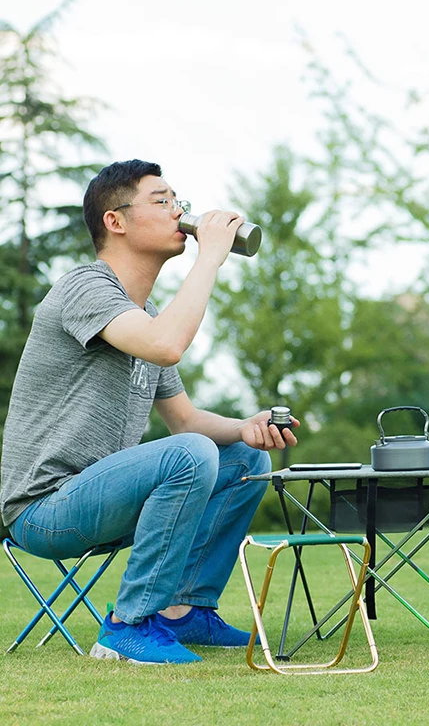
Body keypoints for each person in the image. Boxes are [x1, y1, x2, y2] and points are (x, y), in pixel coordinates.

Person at [0, 159, 298, 664]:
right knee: (190, 456)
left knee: (245, 460)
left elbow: (185, 421)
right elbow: (166, 348)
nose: (179, 210)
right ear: (115, 221)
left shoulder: (146, 315)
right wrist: (210, 259)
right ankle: (128, 626)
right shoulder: (85, 288)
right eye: (162, 201)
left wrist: (246, 428)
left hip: (104, 497)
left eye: (177, 200)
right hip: (42, 510)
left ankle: (185, 611)